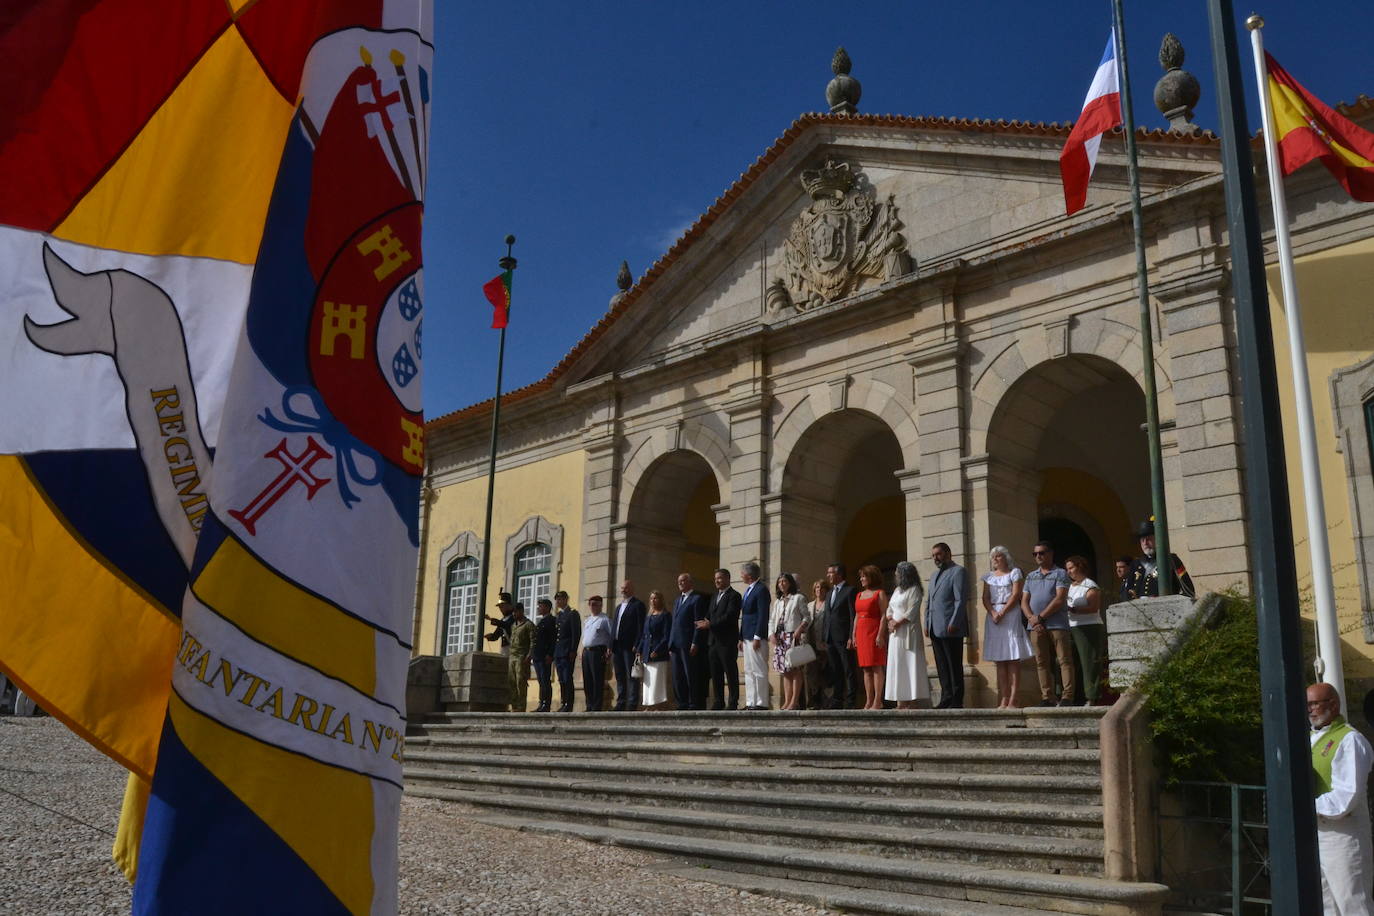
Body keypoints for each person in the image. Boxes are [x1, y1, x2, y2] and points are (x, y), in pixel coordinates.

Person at [1308, 682, 1374, 914]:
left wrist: (1304, 807)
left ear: (1333, 704)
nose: (1310, 709)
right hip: (1318, 832)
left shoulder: (1350, 740)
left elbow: (1347, 797)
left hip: (1343, 836)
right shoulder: (1311, 738)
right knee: (1326, 904)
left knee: (1352, 902)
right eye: (1307, 705)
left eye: (1314, 703)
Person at [1021, 541, 1074, 707]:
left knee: (1064, 659)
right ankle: (1047, 697)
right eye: (1035, 554)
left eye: (1042, 553)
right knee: (1041, 662)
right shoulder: (1030, 576)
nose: (1038, 556)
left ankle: (1067, 696)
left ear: (1051, 554)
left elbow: (1060, 599)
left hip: (1057, 624)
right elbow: (1024, 601)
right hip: (1035, 626)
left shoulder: (1060, 574)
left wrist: (1040, 617)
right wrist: (1032, 619)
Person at [981, 546, 1031, 709]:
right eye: (993, 556)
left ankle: (1014, 698)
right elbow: (985, 597)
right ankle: (1004, 697)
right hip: (994, 616)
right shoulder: (989, 577)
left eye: (999, 556)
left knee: (1012, 658)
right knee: (1000, 660)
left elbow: (1016, 594)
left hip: (1010, 614)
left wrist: (1002, 612)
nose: (995, 559)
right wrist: (993, 612)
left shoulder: (1014, 573)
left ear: (1006, 557)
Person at [925, 543, 967, 709]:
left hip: (951, 627)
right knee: (941, 665)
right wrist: (926, 623)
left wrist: (954, 622)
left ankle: (957, 699)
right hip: (935, 626)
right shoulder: (934, 575)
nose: (936, 558)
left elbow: (960, 599)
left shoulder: (958, 571)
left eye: (939, 554)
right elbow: (929, 601)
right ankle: (946, 697)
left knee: (953, 664)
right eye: (933, 555)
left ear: (948, 553)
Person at [884, 560, 928, 710]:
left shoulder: (914, 590)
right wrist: (890, 620)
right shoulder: (897, 590)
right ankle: (900, 701)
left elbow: (912, 611)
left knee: (910, 663)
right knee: (898, 664)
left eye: (897, 572)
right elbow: (889, 608)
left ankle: (913, 701)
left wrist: (897, 622)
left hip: (908, 631)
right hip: (895, 634)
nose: (895, 574)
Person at [1064, 556, 1108, 706]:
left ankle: (1091, 697)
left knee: (1089, 663)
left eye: (1071, 568)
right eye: (1067, 569)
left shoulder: (1090, 585)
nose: (1068, 571)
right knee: (1067, 662)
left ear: (1080, 567)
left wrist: (1073, 609)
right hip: (1071, 627)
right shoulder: (1069, 586)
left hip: (1089, 627)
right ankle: (1068, 696)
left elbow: (1093, 607)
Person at [700, 568, 742, 710]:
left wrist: (710, 624)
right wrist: (704, 621)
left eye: (719, 578)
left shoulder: (734, 596)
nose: (717, 581)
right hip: (713, 641)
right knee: (715, 673)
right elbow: (709, 614)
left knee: (730, 672)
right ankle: (718, 701)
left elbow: (730, 616)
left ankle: (733, 702)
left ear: (727, 579)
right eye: (715, 578)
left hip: (727, 641)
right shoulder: (714, 596)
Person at [1124, 519, 1196, 600]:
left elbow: (1188, 590)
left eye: (1148, 539)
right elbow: (1127, 592)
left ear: (1157, 539)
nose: (1145, 543)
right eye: (1142, 540)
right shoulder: (1136, 564)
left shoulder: (1171, 560)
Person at [769, 572, 810, 710]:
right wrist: (771, 635)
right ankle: (787, 701)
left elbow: (807, 617)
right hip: (780, 637)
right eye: (779, 582)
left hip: (793, 636)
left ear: (790, 583)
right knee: (785, 671)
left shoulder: (798, 598)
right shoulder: (778, 601)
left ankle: (794, 701)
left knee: (795, 669)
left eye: (784, 581)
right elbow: (772, 620)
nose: (782, 584)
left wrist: (799, 629)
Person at [669, 573, 709, 710]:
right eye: (679, 581)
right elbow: (674, 623)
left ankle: (693, 702)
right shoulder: (677, 600)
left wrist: (695, 642)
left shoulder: (697, 599)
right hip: (675, 644)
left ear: (690, 583)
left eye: (683, 580)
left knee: (690, 674)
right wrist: (670, 643)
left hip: (688, 643)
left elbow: (698, 622)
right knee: (677, 676)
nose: (680, 583)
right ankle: (682, 702)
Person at [851, 564, 888, 710]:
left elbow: (884, 614)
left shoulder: (879, 593)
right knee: (865, 668)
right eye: (861, 576)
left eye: (864, 576)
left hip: (874, 631)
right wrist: (853, 634)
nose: (861, 579)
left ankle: (878, 701)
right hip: (861, 632)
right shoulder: (859, 595)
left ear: (871, 577)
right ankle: (869, 700)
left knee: (876, 666)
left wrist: (880, 634)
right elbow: (856, 615)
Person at [823, 563, 859, 708]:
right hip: (830, 638)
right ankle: (837, 699)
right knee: (835, 669)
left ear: (839, 574)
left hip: (844, 637)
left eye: (830, 573)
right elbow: (827, 616)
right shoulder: (830, 593)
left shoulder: (850, 591)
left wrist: (852, 636)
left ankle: (851, 700)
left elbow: (852, 616)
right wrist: (824, 637)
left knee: (848, 669)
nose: (828, 576)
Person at [738, 562, 771, 710]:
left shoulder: (761, 590)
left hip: (756, 637)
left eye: (742, 573)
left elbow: (762, 615)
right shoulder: (749, 590)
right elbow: (745, 616)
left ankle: (761, 702)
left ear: (749, 575)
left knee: (759, 670)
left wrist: (758, 636)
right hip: (746, 636)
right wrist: (741, 637)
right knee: (749, 670)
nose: (741, 575)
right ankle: (751, 701)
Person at [610, 579, 647, 712]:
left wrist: (637, 645)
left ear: (632, 589)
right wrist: (610, 645)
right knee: (620, 675)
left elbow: (640, 627)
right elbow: (614, 627)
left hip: (630, 646)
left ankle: (632, 703)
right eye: (622, 588)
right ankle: (621, 702)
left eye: (626, 588)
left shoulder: (638, 605)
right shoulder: (619, 607)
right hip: (617, 646)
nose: (623, 590)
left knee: (632, 676)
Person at [637, 590, 672, 710]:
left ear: (661, 600)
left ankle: (658, 704)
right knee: (648, 680)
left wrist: (658, 649)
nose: (653, 600)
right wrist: (639, 649)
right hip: (647, 652)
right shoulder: (648, 616)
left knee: (658, 680)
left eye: (656, 598)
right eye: (651, 598)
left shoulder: (666, 615)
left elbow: (666, 636)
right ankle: (649, 704)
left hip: (659, 654)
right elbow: (644, 635)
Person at [579, 596, 613, 711]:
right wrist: (581, 651)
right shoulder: (587, 620)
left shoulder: (604, 619)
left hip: (598, 652)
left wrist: (609, 649)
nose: (593, 606)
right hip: (587, 652)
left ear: (600, 605)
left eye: (595, 604)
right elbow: (585, 637)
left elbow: (611, 636)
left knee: (597, 679)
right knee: (587, 680)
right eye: (591, 604)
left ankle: (597, 706)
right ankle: (589, 705)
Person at [552, 590, 581, 712]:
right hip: (558, 652)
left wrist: (573, 650)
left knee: (567, 677)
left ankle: (569, 704)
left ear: (566, 599)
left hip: (567, 651)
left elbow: (576, 633)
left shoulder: (572, 614)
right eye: (557, 599)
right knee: (561, 679)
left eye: (561, 599)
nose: (559, 601)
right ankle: (564, 702)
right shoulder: (559, 615)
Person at [804, 579, 831, 710]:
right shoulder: (809, 605)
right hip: (811, 643)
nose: (819, 590)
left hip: (824, 643)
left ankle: (826, 699)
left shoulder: (829, 604)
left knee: (825, 671)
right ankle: (814, 699)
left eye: (821, 588)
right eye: (817, 588)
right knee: (811, 672)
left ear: (826, 590)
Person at [506, 603, 535, 712]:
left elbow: (533, 641)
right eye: (513, 611)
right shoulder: (513, 625)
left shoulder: (528, 625)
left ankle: (521, 706)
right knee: (511, 682)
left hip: (521, 656)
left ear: (521, 611)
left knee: (520, 681)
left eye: (516, 611)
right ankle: (514, 706)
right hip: (512, 656)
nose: (514, 614)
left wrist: (529, 655)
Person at [530, 597, 557, 712]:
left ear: (547, 608)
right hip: (538, 656)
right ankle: (542, 703)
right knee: (541, 681)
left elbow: (552, 639)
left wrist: (550, 654)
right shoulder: (541, 621)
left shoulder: (551, 620)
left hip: (544, 656)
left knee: (545, 680)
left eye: (541, 606)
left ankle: (546, 704)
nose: (538, 608)